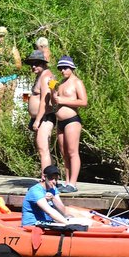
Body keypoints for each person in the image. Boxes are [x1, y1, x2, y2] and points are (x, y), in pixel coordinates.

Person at [52, 56, 88, 193]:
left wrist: (62, 100)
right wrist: (51, 88)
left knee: (73, 152)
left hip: (72, 120)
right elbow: (54, 101)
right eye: (60, 68)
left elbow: (83, 102)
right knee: (64, 153)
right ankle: (66, 181)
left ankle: (73, 183)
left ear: (72, 68)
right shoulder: (60, 83)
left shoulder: (77, 82)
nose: (62, 70)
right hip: (60, 121)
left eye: (65, 68)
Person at [28, 50, 58, 175]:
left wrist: (38, 120)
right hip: (40, 117)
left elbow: (45, 101)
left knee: (43, 149)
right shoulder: (41, 75)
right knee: (41, 148)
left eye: (36, 63)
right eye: (31, 64)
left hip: (45, 117)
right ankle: (52, 175)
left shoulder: (46, 76)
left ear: (43, 63)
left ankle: (45, 179)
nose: (33, 66)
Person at [0, 26, 22, 111]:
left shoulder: (13, 50)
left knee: (8, 104)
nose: (0, 38)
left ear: (6, 36)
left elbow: (19, 65)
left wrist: (8, 65)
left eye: (2, 36)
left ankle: (8, 123)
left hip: (11, 77)